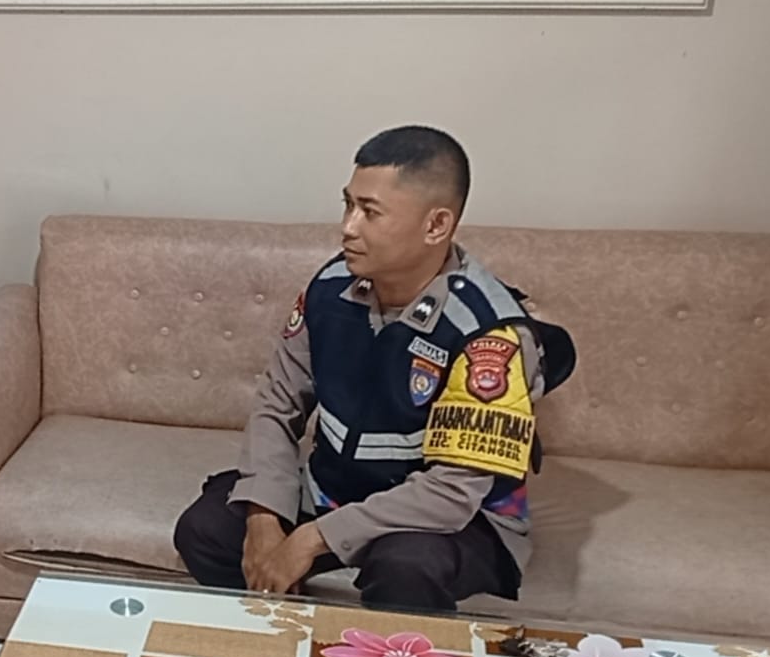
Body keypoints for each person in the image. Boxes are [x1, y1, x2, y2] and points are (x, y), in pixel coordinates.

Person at [174, 126, 575, 612]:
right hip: (335, 490)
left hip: (447, 518)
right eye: (348, 205)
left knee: (405, 569)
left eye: (370, 212)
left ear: (436, 225)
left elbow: (452, 493)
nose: (348, 227)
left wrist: (310, 540)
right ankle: (285, 634)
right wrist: (264, 518)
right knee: (206, 531)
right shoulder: (330, 287)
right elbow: (276, 406)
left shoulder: (488, 335)